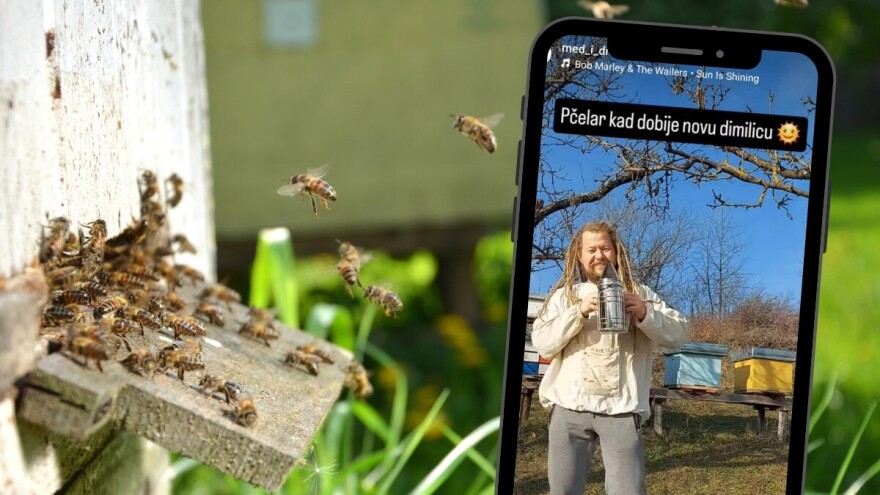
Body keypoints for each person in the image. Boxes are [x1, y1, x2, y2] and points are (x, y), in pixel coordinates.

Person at [532, 220, 689, 495]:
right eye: (591, 249)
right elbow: (543, 344)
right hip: (570, 407)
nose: (599, 255)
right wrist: (577, 313)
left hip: (621, 408)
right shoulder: (565, 297)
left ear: (616, 252)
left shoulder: (640, 293)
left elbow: (678, 333)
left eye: (605, 248)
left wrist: (644, 313)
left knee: (628, 490)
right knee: (563, 490)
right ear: (579, 256)